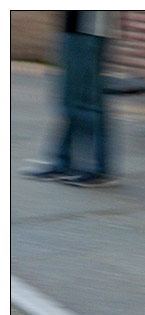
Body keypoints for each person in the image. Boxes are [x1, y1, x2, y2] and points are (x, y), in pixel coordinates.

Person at [20, 11, 117, 187]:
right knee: (69, 101)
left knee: (87, 102)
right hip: (74, 27)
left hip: (89, 28)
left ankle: (98, 168)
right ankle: (63, 163)